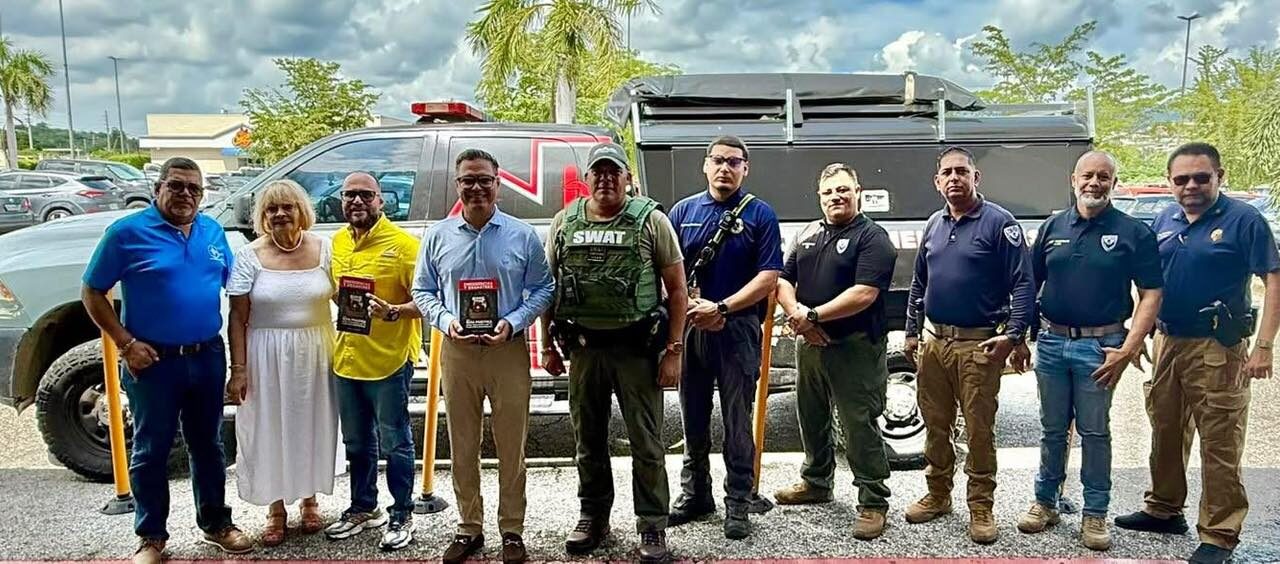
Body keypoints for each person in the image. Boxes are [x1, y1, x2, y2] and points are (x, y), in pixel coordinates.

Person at [81, 157, 253, 564]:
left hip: (206, 354)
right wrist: (125, 344)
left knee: (208, 445)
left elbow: (236, 287)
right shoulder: (126, 233)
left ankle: (216, 524)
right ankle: (151, 537)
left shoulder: (212, 231)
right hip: (152, 360)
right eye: (177, 186)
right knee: (150, 450)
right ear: (157, 187)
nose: (186, 195)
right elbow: (92, 293)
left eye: (195, 189)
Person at [1114, 142, 1279, 564]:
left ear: (1219, 177)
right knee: (1165, 428)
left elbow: (1274, 280)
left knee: (1219, 440)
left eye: (1200, 178)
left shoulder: (1245, 221)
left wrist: (1263, 345)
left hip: (1217, 347)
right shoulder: (1165, 217)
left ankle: (1220, 533)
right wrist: (1139, 333)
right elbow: (1152, 283)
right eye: (1181, 179)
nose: (1191, 186)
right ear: (1170, 182)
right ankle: (1165, 509)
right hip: (1168, 341)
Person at [540, 142, 688, 563]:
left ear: (627, 178)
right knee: (587, 439)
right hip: (584, 350)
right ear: (586, 180)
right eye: (598, 172)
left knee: (646, 442)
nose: (605, 179)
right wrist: (548, 344)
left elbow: (677, 291)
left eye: (613, 172)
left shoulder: (651, 221)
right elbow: (549, 287)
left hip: (636, 351)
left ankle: (653, 525)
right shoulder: (564, 222)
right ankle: (593, 515)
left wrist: (674, 351)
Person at [409, 149, 555, 564]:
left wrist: (512, 321)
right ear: (458, 186)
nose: (475, 187)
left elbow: (543, 289)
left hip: (506, 350)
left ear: (498, 183)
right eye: (467, 180)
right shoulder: (438, 236)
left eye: (483, 180)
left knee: (512, 444)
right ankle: (468, 527)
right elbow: (423, 290)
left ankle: (512, 529)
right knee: (463, 444)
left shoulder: (522, 235)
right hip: (457, 351)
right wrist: (444, 319)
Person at [1016, 151, 1163, 551]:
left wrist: (1130, 347)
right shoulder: (1053, 227)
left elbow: (1152, 292)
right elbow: (1030, 285)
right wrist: (1021, 337)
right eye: (1087, 175)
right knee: (1051, 429)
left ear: (1114, 182)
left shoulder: (1134, 232)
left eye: (1103, 176)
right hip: (1051, 342)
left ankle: (1094, 513)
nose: (1094, 183)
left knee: (1095, 432)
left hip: (1103, 347)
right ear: (1073, 179)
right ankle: (1046, 502)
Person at [902, 146, 1034, 544]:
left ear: (977, 178)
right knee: (936, 426)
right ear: (937, 181)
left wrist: (1013, 335)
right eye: (948, 172)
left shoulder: (1000, 223)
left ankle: (981, 506)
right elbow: (919, 283)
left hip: (978, 346)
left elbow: (1024, 282)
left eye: (963, 171)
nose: (955, 178)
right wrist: (911, 331)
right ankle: (938, 494)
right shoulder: (934, 224)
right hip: (934, 343)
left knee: (978, 429)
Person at [664, 135, 782, 539]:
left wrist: (724, 308)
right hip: (692, 327)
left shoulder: (761, 214)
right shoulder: (683, 211)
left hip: (738, 329)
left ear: (745, 168)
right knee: (692, 415)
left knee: (736, 420)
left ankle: (739, 500)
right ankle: (696, 494)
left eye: (734, 162)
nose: (725, 168)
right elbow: (668, 270)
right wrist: (693, 309)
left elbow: (769, 277)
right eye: (718, 160)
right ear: (705, 164)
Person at [772, 163, 898, 540]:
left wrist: (813, 315)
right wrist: (799, 317)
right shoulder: (807, 233)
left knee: (858, 424)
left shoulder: (873, 237)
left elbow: (864, 293)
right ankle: (817, 482)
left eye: (843, 189)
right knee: (811, 416)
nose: (836, 197)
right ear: (819, 196)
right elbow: (782, 279)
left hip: (855, 346)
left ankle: (873, 500)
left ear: (857, 191)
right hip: (809, 343)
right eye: (828, 192)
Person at [225, 179, 340, 546]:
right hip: (265, 355)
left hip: (317, 351)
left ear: (301, 210)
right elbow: (237, 317)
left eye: (287, 207)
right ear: (262, 216)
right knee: (269, 427)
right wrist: (238, 370)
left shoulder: (326, 249)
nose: (279, 214)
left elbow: (347, 301)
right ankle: (275, 509)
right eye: (271, 209)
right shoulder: (250, 255)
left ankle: (310, 500)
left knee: (310, 423)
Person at [323, 172, 423, 552]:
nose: (357, 202)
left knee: (396, 441)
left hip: (389, 361)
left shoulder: (404, 245)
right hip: (347, 359)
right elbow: (337, 294)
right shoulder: (336, 243)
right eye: (350, 195)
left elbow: (426, 301)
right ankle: (364, 508)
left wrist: (393, 311)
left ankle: (402, 513)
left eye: (366, 195)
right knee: (357, 442)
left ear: (381, 200)